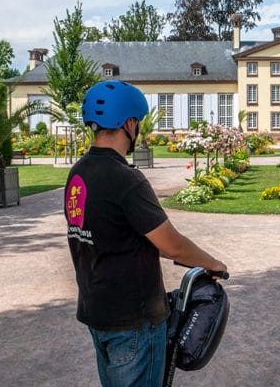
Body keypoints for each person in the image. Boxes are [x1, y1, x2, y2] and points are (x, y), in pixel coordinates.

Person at [64, 81, 228, 387]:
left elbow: (124, 236)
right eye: (137, 122)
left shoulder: (79, 173)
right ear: (129, 123)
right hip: (133, 320)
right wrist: (213, 263)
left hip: (97, 312)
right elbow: (172, 244)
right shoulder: (126, 179)